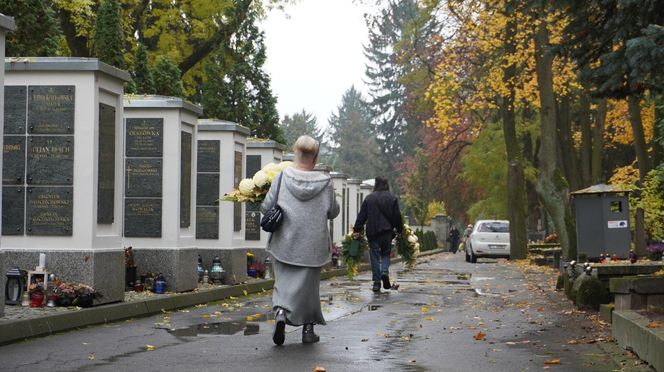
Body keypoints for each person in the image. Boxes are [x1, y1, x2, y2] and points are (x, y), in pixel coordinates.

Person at [262, 135, 339, 346]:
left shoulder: (281, 178)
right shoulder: (326, 183)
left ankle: (280, 313)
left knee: (283, 283)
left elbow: (266, 206)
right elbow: (333, 212)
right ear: (315, 158)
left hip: (284, 242)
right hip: (312, 246)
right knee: (309, 290)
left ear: (296, 154)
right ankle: (308, 330)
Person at [353, 176, 403, 293]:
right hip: (386, 232)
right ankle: (384, 272)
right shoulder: (392, 198)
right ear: (387, 185)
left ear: (376, 185)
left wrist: (357, 230)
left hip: (372, 232)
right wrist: (400, 230)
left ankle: (376, 283)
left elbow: (362, 216)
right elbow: (397, 217)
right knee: (386, 253)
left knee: (374, 256)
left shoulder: (369, 198)